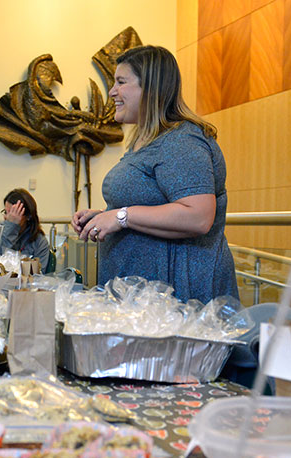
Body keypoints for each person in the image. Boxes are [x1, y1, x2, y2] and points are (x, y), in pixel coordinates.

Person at [72, 45, 238, 303]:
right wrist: (106, 216)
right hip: (144, 302)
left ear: (150, 88)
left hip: (176, 300)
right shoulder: (150, 141)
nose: (112, 92)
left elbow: (198, 216)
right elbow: (153, 205)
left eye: (121, 82)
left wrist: (121, 216)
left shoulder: (182, 141)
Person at [0, 188, 50, 272]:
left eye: (13, 213)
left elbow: (39, 276)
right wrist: (11, 228)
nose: (7, 217)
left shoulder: (39, 242)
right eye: (6, 212)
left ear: (28, 216)